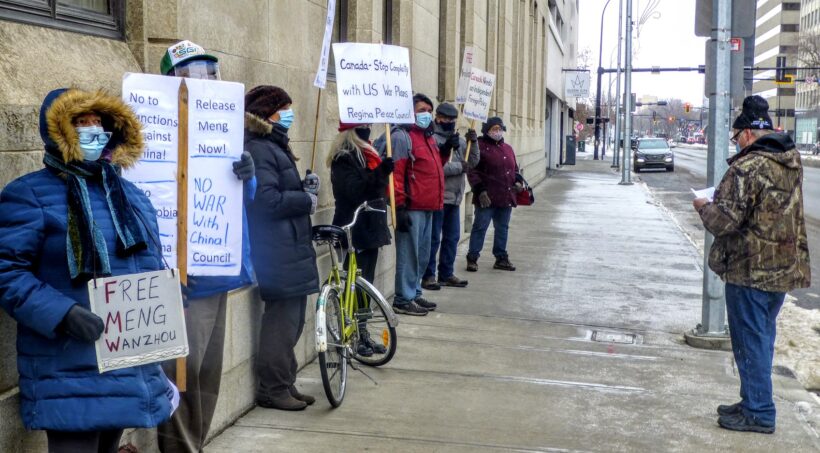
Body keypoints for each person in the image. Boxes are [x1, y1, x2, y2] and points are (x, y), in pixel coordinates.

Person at [0, 88, 174, 452]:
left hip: (125, 362)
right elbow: (7, 272)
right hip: (69, 361)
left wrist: (169, 297)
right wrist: (63, 313)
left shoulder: (132, 197)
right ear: (60, 131)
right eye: (82, 123)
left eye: (100, 123)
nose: (94, 130)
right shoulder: (28, 194)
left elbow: (149, 264)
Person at [156, 40, 257, 453]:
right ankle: (179, 448)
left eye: (207, 74)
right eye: (190, 75)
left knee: (208, 371)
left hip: (218, 267)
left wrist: (246, 176)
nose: (202, 83)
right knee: (182, 367)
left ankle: (194, 443)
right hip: (181, 275)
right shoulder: (154, 132)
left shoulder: (224, 129)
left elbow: (240, 202)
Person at [694, 95, 811, 434]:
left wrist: (703, 204)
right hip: (783, 268)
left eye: (736, 137)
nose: (736, 143)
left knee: (750, 341)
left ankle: (759, 411)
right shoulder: (790, 161)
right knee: (761, 337)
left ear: (746, 133)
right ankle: (752, 401)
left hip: (751, 268)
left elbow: (723, 222)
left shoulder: (748, 167)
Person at [244, 85, 320, 411]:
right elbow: (266, 200)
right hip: (276, 250)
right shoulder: (261, 148)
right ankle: (272, 389)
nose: (289, 114)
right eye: (284, 109)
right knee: (281, 324)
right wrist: (306, 199)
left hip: (289, 247)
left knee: (293, 322)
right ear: (268, 113)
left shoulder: (275, 145)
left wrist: (304, 188)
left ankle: (285, 382)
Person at [376, 93, 447, 316]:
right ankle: (403, 297)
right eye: (421, 109)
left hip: (429, 205)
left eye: (429, 110)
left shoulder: (428, 137)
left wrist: (445, 152)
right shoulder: (402, 137)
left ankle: (414, 291)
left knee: (423, 254)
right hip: (412, 205)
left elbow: (432, 169)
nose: (426, 114)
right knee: (409, 254)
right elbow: (396, 175)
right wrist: (399, 205)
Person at [328, 122, 395, 356]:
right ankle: (353, 335)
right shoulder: (344, 158)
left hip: (371, 228)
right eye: (362, 126)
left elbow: (378, 191)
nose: (367, 128)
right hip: (353, 229)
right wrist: (380, 173)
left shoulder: (369, 154)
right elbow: (354, 191)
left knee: (366, 286)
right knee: (353, 286)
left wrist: (381, 172)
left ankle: (363, 332)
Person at [421, 102, 479, 290]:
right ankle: (429, 275)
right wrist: (459, 167)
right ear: (437, 118)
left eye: (452, 119)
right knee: (433, 239)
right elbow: (437, 167)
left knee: (452, 238)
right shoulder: (432, 139)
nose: (448, 122)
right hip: (438, 196)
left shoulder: (459, 141)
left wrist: (474, 142)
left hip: (455, 197)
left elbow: (472, 161)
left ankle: (446, 273)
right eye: (445, 119)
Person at [466, 117, 523, 272]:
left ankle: (501, 257)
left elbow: (515, 170)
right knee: (480, 227)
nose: (497, 132)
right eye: (493, 129)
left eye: (499, 129)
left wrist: (518, 183)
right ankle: (472, 258)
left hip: (505, 196)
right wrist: (480, 190)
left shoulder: (508, 148)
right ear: (487, 130)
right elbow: (472, 171)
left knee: (502, 228)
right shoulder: (480, 147)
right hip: (487, 197)